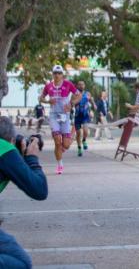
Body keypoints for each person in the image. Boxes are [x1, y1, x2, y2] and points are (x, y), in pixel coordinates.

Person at [0, 116, 48, 268]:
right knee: (20, 264)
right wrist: (32, 158)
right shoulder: (4, 148)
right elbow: (39, 190)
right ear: (12, 140)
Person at [39, 65, 81, 174]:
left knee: (66, 145)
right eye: (55, 73)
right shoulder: (48, 86)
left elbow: (79, 95)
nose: (57, 75)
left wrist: (71, 104)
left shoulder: (68, 84)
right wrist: (48, 101)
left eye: (59, 73)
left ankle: (72, 135)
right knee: (57, 141)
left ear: (62, 74)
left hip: (65, 116)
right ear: (53, 74)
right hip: (53, 116)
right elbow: (41, 98)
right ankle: (59, 164)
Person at [73, 80, 95, 156]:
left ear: (84, 86)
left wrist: (94, 106)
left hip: (85, 115)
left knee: (86, 131)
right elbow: (71, 103)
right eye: (79, 84)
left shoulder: (87, 93)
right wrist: (74, 103)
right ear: (77, 86)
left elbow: (91, 100)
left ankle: (84, 140)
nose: (81, 86)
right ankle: (79, 148)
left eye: (82, 84)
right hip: (77, 116)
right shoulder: (74, 94)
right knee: (78, 133)